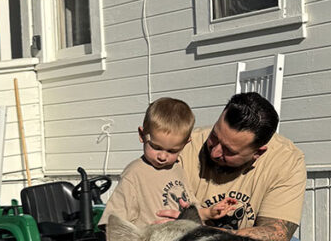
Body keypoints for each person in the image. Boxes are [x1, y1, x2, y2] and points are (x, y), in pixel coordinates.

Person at [163, 92, 324, 241]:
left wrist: (214, 235)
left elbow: (278, 234)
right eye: (214, 136)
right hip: (184, 239)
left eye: (229, 151)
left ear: (258, 152)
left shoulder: (287, 160)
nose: (215, 152)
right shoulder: (183, 145)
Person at [99, 97, 238, 232]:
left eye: (172, 151)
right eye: (156, 147)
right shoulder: (135, 173)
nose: (162, 156)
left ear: (186, 143)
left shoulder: (178, 170)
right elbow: (114, 218)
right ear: (142, 135)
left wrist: (208, 213)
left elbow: (188, 208)